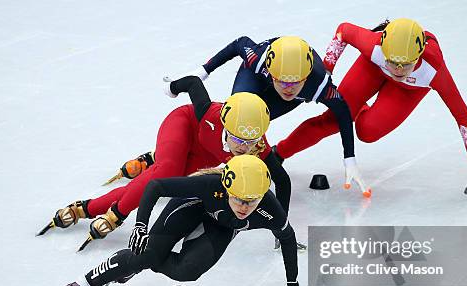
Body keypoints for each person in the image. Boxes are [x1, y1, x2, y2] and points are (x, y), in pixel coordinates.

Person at [37, 76, 299, 250]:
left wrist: (281, 228)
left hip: (202, 157)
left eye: (249, 142)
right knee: (168, 170)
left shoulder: (259, 148)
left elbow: (282, 180)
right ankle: (118, 214)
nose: (242, 146)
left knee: (162, 181)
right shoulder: (209, 113)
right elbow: (194, 83)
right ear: (224, 125)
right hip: (183, 127)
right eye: (235, 138)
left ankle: (86, 208)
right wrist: (172, 87)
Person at [48, 155, 319, 286]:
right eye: (238, 199)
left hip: (221, 227)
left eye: (253, 201)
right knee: (147, 253)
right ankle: (84, 285)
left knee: (186, 272)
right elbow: (155, 186)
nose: (245, 207)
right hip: (192, 206)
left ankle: (134, 261)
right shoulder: (210, 184)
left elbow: (287, 238)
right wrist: (140, 226)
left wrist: (292, 284)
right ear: (226, 188)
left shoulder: (270, 209)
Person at [273, 18, 467, 201]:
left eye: (406, 65)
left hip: (408, 90)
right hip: (373, 67)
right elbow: (343, 31)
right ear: (383, 47)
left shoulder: (434, 70)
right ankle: (278, 153)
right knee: (333, 120)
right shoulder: (374, 46)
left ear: (419, 56)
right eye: (392, 61)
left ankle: (358, 107)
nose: (398, 69)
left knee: (367, 132)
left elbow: (463, 117)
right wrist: (326, 72)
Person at [179, 35, 370, 195]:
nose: (288, 88)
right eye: (282, 82)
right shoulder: (258, 60)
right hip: (255, 76)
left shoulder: (319, 85)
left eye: (296, 83)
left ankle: (242, 165)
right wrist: (203, 70)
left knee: (252, 128)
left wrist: (350, 159)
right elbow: (240, 43)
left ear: (306, 77)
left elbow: (343, 113)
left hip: (287, 91)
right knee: (240, 115)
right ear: (270, 71)